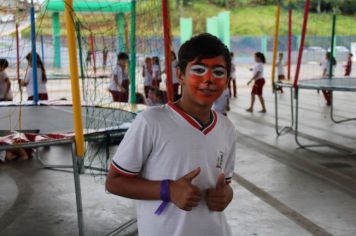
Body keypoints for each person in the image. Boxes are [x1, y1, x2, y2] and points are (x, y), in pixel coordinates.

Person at [106, 33, 236, 236]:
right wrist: (168, 190)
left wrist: (226, 195)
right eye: (199, 70)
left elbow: (225, 184)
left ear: (227, 79)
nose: (208, 79)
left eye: (218, 72)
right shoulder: (151, 122)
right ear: (181, 75)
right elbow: (114, 181)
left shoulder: (226, 128)